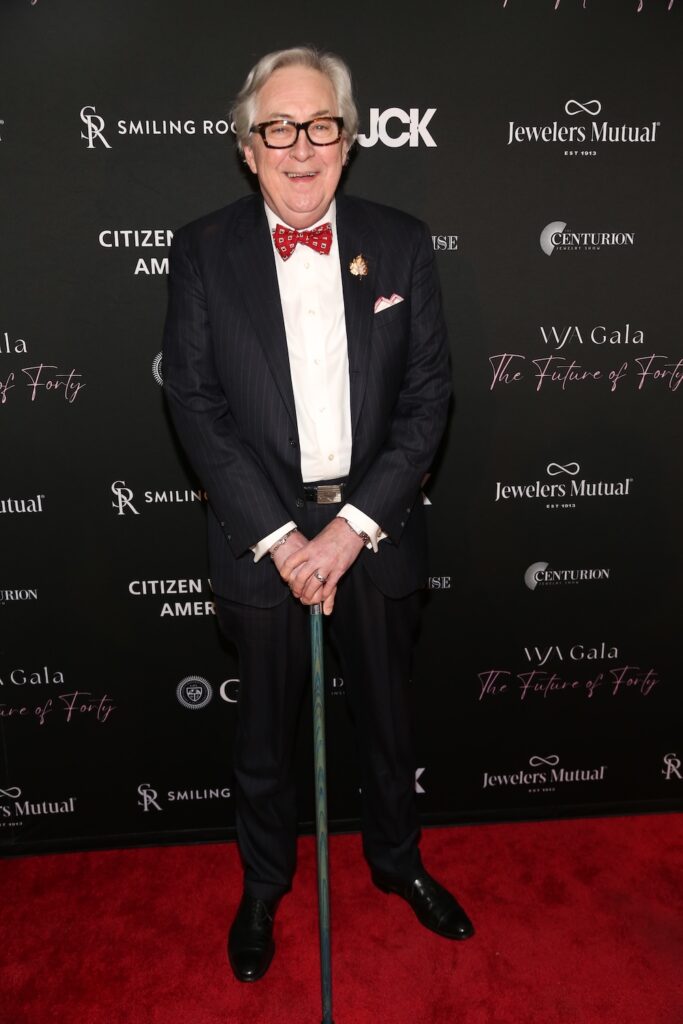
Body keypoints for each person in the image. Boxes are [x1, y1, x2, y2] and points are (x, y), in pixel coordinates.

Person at [162, 46, 474, 983]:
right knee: (263, 735)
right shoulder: (201, 249)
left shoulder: (402, 241)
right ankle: (264, 886)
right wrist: (284, 540)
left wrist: (346, 532)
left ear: (347, 140)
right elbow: (195, 404)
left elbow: (427, 400)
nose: (301, 148)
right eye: (278, 129)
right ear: (247, 148)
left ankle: (398, 862)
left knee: (388, 723)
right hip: (259, 537)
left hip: (374, 531)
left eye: (320, 126)